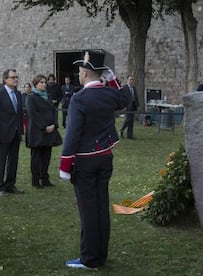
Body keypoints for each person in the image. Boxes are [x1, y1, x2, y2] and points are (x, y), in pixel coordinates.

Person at [59, 50, 130, 270]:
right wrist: (113, 79)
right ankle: (101, 255)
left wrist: (65, 165)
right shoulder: (110, 94)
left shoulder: (80, 98)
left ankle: (90, 259)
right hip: (105, 158)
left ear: (85, 73)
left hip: (85, 161)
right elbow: (126, 98)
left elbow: (72, 134)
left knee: (88, 210)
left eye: (80, 71)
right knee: (100, 208)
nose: (79, 74)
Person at [0, 69, 24, 197]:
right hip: (2, 134)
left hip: (15, 133)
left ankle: (10, 184)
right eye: (13, 77)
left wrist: (21, 131)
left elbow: (19, 114)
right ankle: (0, 187)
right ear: (5, 79)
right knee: (1, 161)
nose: (16, 79)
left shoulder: (18, 94)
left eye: (17, 77)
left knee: (13, 160)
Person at [25, 74, 62, 188]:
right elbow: (33, 114)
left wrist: (54, 125)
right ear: (36, 84)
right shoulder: (31, 97)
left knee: (47, 156)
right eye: (41, 82)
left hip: (49, 131)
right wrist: (44, 126)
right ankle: (35, 180)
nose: (44, 84)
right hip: (37, 131)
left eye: (45, 82)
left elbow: (54, 111)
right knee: (36, 157)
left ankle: (45, 178)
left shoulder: (48, 96)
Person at [119, 75, 139, 139]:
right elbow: (122, 97)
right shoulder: (124, 88)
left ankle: (130, 135)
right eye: (130, 79)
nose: (131, 81)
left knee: (131, 121)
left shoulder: (134, 88)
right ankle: (121, 130)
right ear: (127, 80)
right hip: (127, 106)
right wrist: (123, 105)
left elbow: (136, 97)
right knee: (128, 120)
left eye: (132, 80)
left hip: (133, 106)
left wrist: (137, 105)